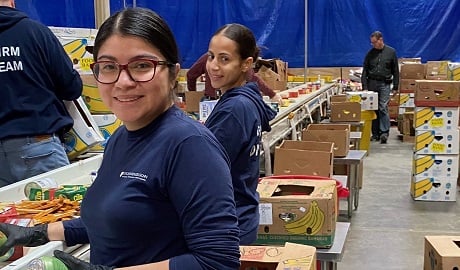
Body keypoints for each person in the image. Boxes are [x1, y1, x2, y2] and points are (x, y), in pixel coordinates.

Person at [0, 7, 240, 270]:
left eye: (141, 66)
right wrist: (39, 233)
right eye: (109, 67)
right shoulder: (121, 138)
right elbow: (113, 219)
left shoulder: (189, 145)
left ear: (173, 73)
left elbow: (217, 262)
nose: (122, 82)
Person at [204, 23, 277, 244]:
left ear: (246, 64)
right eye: (211, 56)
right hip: (243, 214)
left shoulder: (234, 110)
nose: (213, 66)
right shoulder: (248, 100)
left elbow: (204, 172)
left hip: (225, 224)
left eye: (224, 59)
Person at [0, 0, 83, 187]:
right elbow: (72, 88)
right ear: (12, 2)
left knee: (7, 216)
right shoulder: (35, 32)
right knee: (57, 212)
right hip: (39, 146)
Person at [187, 52, 283, 103]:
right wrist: (272, 95)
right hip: (232, 101)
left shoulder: (208, 57)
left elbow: (191, 75)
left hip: (211, 101)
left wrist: (193, 95)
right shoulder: (237, 59)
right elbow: (253, 78)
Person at [361, 31, 399, 144]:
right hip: (372, 83)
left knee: (382, 107)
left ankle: (384, 133)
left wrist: (396, 86)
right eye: (371, 43)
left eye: (374, 42)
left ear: (380, 40)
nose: (373, 45)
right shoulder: (370, 54)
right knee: (373, 108)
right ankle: (375, 133)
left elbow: (395, 71)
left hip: (385, 84)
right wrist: (365, 87)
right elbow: (365, 71)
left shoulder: (391, 52)